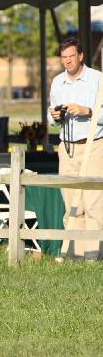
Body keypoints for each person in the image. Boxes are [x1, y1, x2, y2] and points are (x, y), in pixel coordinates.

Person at [48, 37, 103, 261]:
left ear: (80, 56)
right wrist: (55, 116)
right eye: (64, 57)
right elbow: (51, 119)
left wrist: (87, 111)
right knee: (72, 203)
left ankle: (92, 257)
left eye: (71, 56)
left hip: (93, 145)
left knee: (93, 203)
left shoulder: (98, 79)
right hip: (67, 147)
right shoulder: (57, 82)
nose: (67, 61)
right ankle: (76, 257)